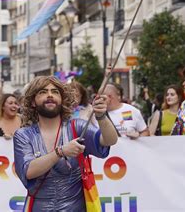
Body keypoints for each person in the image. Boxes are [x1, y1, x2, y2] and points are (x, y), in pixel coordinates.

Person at [13, 76, 118, 211]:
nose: (50, 95)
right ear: (33, 102)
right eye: (43, 92)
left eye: (55, 92)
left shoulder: (77, 127)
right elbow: (28, 171)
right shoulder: (23, 135)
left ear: (62, 100)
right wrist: (60, 152)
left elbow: (109, 140)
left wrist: (101, 116)